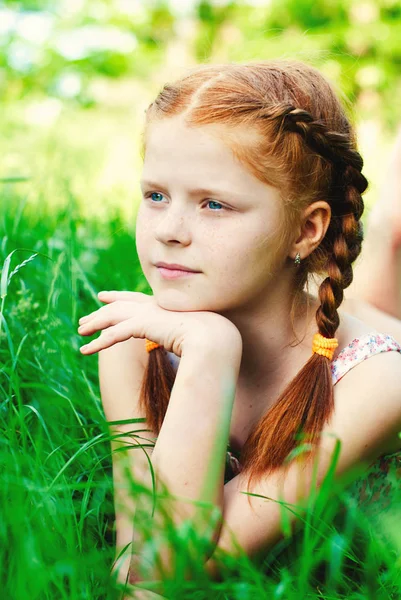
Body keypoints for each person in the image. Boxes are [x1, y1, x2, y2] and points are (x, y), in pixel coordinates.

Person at [77, 60, 401, 597]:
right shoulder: (135, 341)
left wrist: (210, 349)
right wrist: (209, 346)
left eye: (214, 204)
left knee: (382, 291)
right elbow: (138, 569)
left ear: (307, 228)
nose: (170, 232)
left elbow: (177, 573)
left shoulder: (376, 383)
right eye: (156, 195)